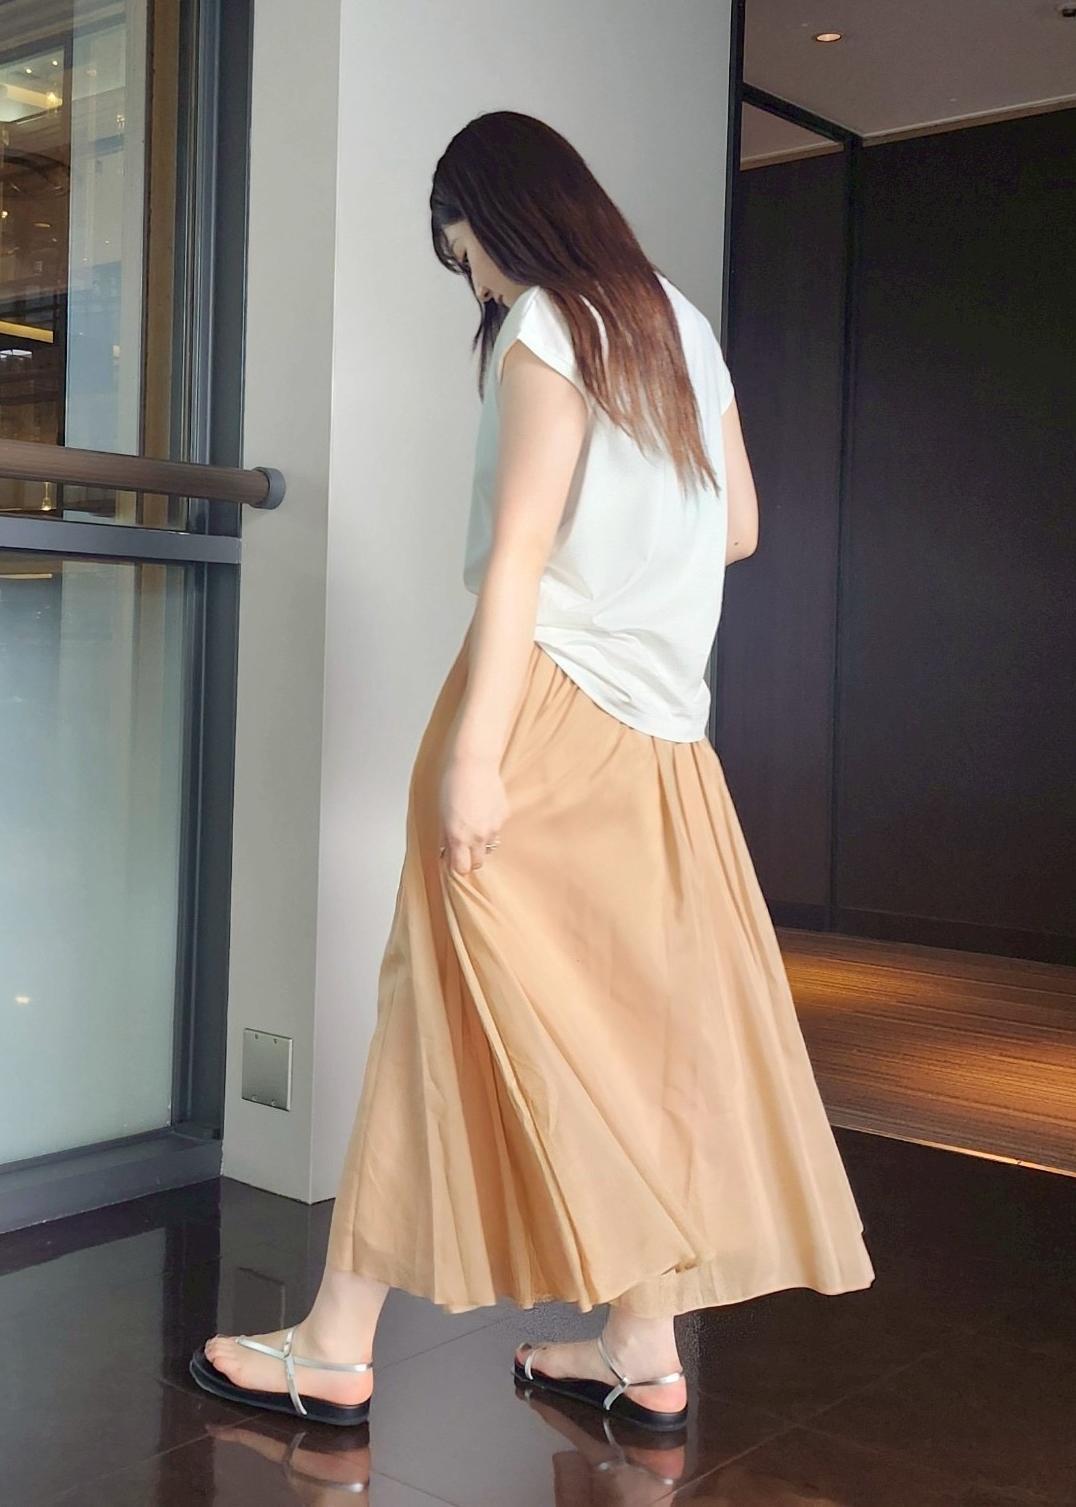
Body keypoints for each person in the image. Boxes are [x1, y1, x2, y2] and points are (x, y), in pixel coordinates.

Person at [191, 109, 875, 1431]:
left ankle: (335, 1344)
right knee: (635, 1034)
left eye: (464, 257)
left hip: (543, 711)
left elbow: (519, 555)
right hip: (662, 734)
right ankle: (643, 1350)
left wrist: (476, 757)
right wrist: (639, 566)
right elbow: (737, 526)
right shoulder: (677, 322)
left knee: (436, 1007)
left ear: (486, 219)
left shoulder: (551, 322)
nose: (477, 286)